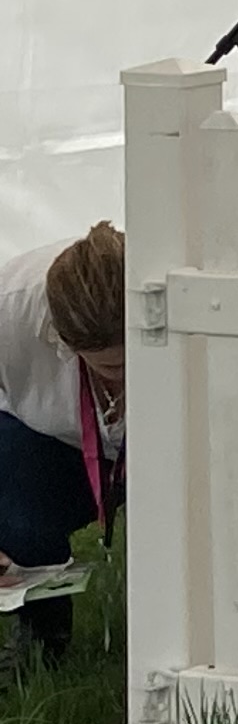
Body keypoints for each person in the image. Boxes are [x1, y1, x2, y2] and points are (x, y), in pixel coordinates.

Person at [0, 223, 123, 680]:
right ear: (62, 339)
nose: (118, 380)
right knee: (12, 491)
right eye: (107, 366)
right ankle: (40, 631)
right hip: (50, 443)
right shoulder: (9, 309)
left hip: (167, 445)